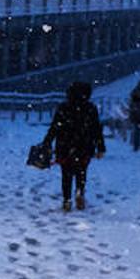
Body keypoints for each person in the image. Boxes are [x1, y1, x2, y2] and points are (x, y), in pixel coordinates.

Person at [42, 80, 105, 211]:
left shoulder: (63, 107)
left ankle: (66, 200)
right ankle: (79, 193)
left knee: (66, 174)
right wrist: (100, 147)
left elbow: (54, 127)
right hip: (84, 146)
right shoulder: (90, 108)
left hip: (65, 145)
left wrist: (47, 142)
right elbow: (96, 129)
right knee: (81, 172)